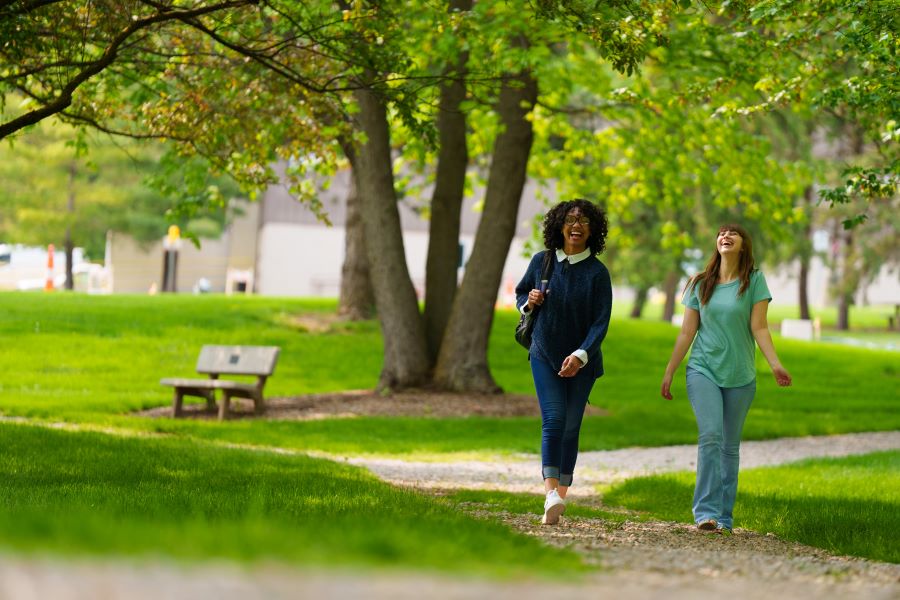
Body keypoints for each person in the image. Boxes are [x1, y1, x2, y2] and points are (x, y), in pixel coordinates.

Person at [660, 224, 792, 533]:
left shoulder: (754, 282)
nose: (725, 236)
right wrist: (670, 371)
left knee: (729, 448)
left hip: (740, 375)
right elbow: (686, 332)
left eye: (733, 234)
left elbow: (760, 327)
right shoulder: (699, 283)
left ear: (744, 245)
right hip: (703, 369)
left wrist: (775, 365)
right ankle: (705, 512)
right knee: (710, 437)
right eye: (721, 233)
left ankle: (724, 517)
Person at [515, 199, 612, 525]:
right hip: (544, 352)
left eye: (584, 220)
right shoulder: (542, 262)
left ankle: (559, 498)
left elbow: (601, 322)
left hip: (582, 360)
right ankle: (550, 494)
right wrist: (528, 302)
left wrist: (580, 355)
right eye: (570, 219)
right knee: (554, 420)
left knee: (571, 426)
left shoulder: (598, 273)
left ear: (592, 230)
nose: (576, 225)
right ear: (559, 226)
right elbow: (520, 293)